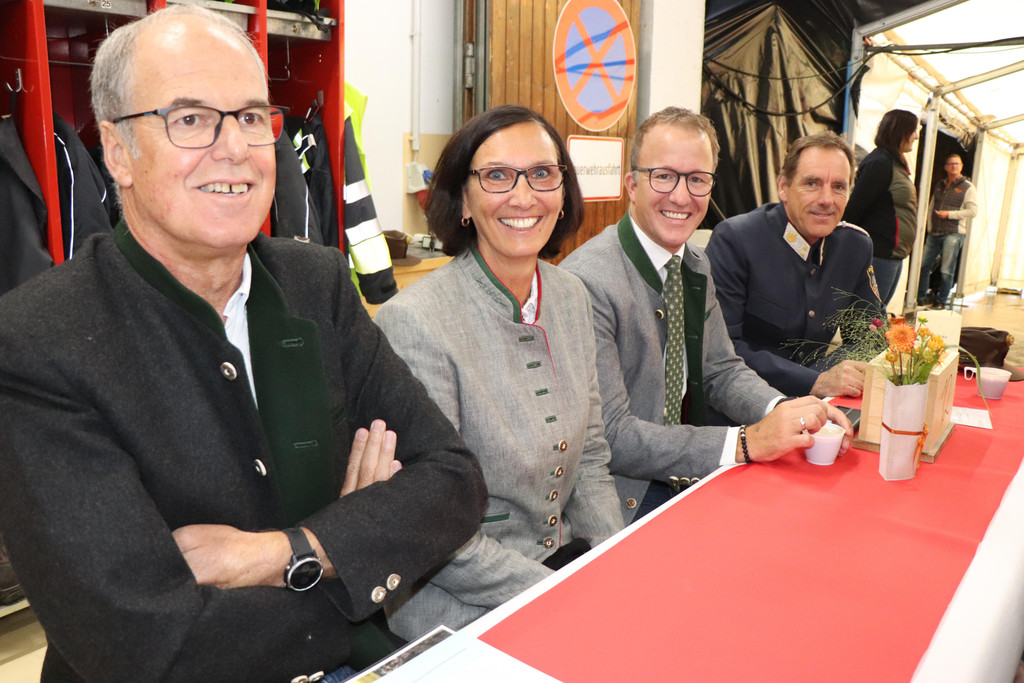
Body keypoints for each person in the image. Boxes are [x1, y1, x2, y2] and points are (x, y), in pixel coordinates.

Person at [0, 8, 486, 682]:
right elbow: (145, 646)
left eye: (252, 116)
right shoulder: (39, 341)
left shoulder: (317, 285)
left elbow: (454, 483)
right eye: (190, 118)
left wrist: (282, 553)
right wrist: (355, 546)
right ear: (117, 152)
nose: (234, 148)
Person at [374, 105, 623, 639]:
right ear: (464, 201)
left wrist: (612, 568)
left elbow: (592, 459)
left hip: (565, 571)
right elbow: (433, 525)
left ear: (564, 192)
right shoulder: (414, 322)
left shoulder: (572, 295)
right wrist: (567, 596)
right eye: (496, 176)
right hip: (460, 611)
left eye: (542, 173)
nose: (523, 196)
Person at [560, 107, 853, 524]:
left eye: (697, 179)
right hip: (620, 498)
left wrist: (787, 411)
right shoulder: (586, 283)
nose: (682, 197)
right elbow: (613, 435)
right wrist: (744, 442)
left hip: (686, 473)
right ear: (632, 185)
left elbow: (720, 370)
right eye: (664, 176)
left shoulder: (694, 263)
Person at [705, 132, 881, 399]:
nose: (827, 199)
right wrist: (814, 380)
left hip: (822, 405)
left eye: (838, 187)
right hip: (749, 403)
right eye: (812, 183)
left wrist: (833, 374)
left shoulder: (855, 247)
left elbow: (871, 336)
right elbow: (722, 350)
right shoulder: (736, 240)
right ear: (783, 187)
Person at [843, 109, 920, 307]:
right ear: (900, 131)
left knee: (876, 313)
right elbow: (856, 208)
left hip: (892, 255)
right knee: (867, 314)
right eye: (913, 130)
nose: (916, 136)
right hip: (879, 254)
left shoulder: (895, 163)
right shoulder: (880, 162)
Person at [916, 153, 979, 309]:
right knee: (923, 265)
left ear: (961, 166)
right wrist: (929, 226)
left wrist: (949, 214)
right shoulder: (940, 185)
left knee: (946, 269)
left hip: (954, 233)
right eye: (951, 164)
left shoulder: (968, 187)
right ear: (946, 167)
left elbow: (973, 211)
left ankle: (942, 300)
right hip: (935, 232)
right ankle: (921, 297)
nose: (954, 166)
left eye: (957, 164)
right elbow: (931, 207)